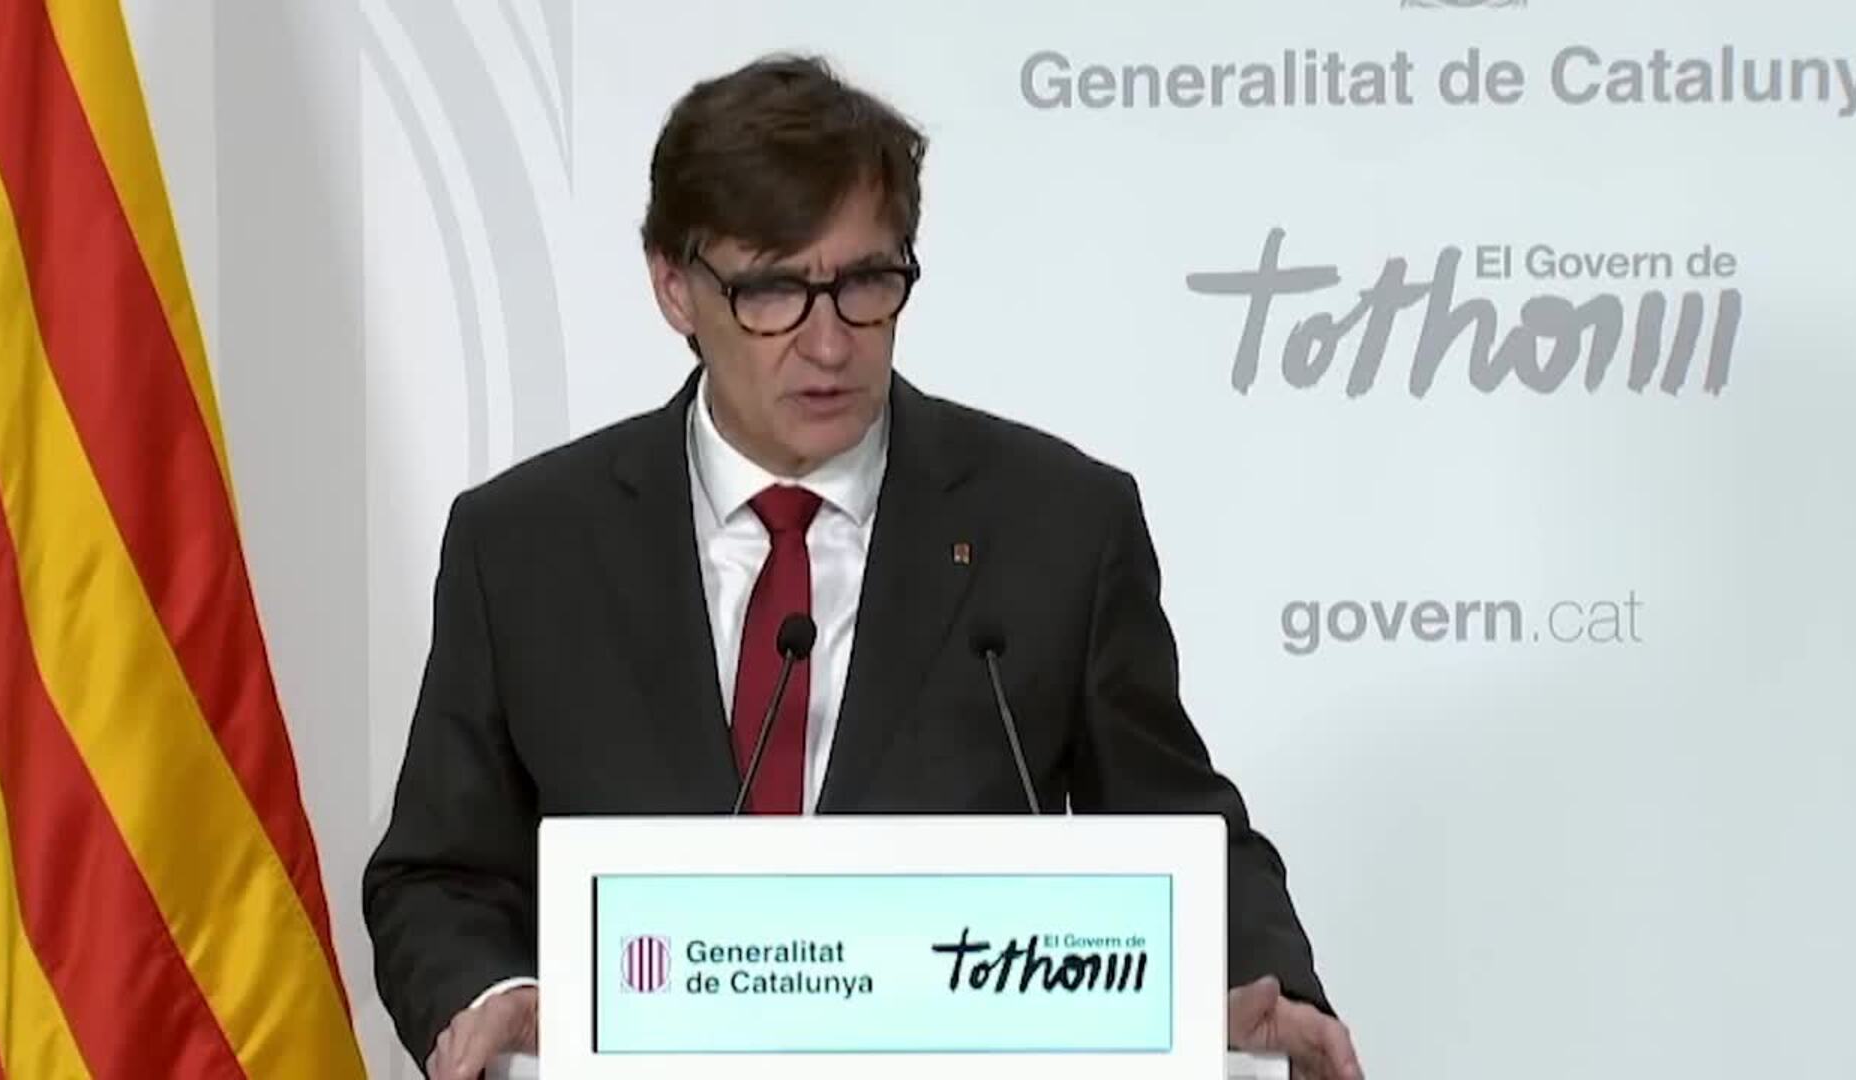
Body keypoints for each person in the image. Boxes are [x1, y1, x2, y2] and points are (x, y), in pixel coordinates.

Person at [363, 53, 1364, 1080]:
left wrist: (1271, 989)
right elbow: (437, 873)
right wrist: (491, 995)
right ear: (674, 287)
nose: (830, 344)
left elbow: (1181, 833)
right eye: (772, 291)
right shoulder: (526, 545)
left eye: (865, 285)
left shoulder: (1057, 526)